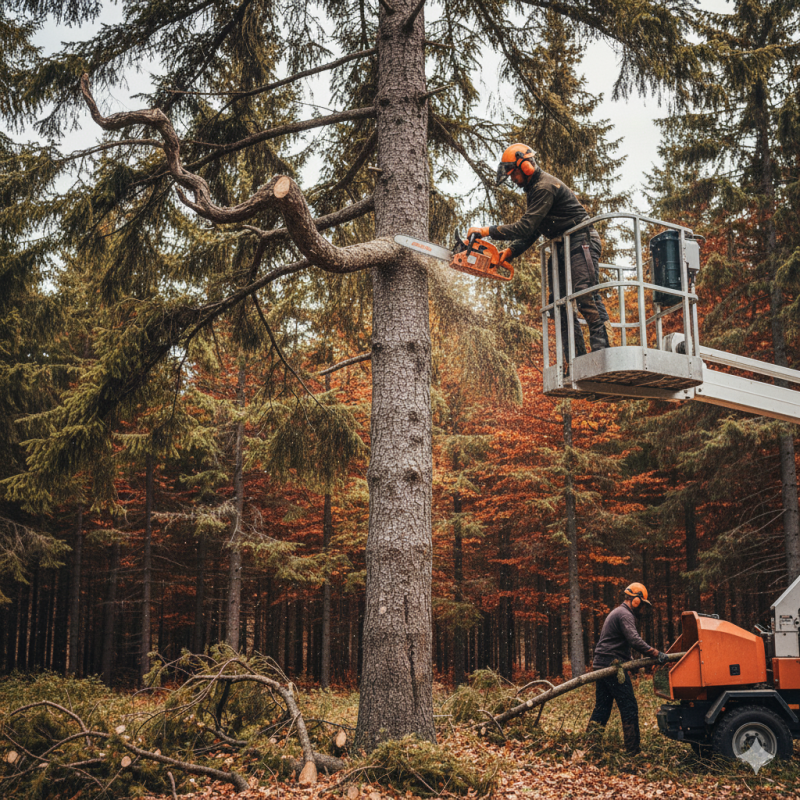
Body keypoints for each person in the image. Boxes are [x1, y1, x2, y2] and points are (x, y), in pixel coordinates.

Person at [467, 143, 610, 360]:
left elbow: (525, 226)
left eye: (513, 174)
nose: (513, 180)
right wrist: (511, 251)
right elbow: (534, 230)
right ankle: (576, 358)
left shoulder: (544, 187)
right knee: (558, 304)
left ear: (526, 166)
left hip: (581, 241)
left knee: (584, 293)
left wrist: (487, 231)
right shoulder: (534, 190)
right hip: (562, 246)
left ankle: (603, 354)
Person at [586, 582, 668, 755]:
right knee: (629, 707)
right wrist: (655, 653)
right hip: (612, 666)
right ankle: (633, 751)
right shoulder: (625, 614)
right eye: (642, 604)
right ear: (636, 600)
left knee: (602, 708)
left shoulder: (619, 612)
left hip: (602, 663)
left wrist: (629, 661)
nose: (642, 609)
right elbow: (634, 640)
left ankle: (590, 746)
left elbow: (617, 642)